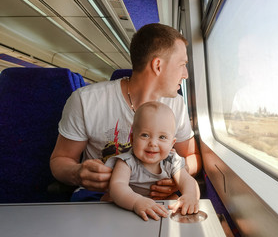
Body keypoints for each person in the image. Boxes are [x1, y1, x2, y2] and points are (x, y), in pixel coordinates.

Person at [50, 23, 202, 201]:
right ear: (158, 66)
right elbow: (61, 159)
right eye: (182, 65)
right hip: (101, 198)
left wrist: (178, 177)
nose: (185, 74)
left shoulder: (176, 104)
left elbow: (192, 155)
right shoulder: (86, 100)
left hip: (155, 197)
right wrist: (77, 173)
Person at [104, 101, 200, 221]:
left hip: (160, 205)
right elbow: (117, 187)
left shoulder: (171, 160)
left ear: (172, 143)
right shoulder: (127, 161)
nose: (153, 143)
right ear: (133, 139)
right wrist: (136, 202)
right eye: (145, 135)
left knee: (176, 200)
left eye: (162, 137)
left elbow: (188, 181)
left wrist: (190, 196)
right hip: (130, 203)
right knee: (109, 199)